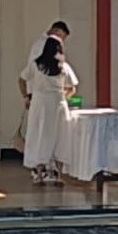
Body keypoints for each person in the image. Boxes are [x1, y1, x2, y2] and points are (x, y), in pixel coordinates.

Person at [19, 36, 78, 184]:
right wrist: (63, 96)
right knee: (60, 137)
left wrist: (26, 97)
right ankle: (58, 174)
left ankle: (39, 174)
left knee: (39, 135)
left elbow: (22, 79)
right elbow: (72, 88)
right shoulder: (63, 67)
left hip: (40, 103)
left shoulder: (36, 64)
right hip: (58, 103)